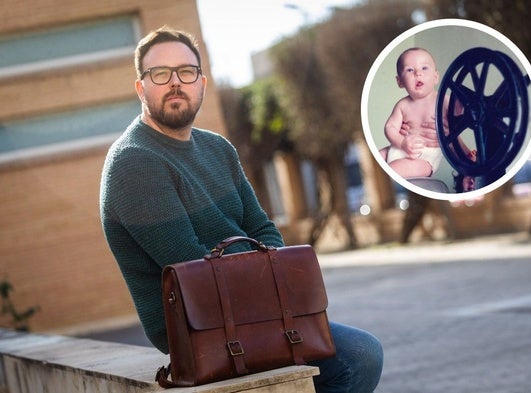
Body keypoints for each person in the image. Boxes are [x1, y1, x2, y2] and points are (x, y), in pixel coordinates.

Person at [100, 26, 383, 392]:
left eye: (186, 72)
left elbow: (265, 232)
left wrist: (255, 266)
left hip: (256, 314)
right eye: (160, 74)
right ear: (141, 87)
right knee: (358, 355)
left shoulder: (218, 149)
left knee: (363, 351)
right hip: (198, 332)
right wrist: (262, 270)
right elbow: (192, 270)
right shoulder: (134, 162)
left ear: (201, 83)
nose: (175, 83)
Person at [379, 47, 443, 179]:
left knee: (393, 170)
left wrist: (466, 154)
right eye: (410, 70)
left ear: (436, 77)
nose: (418, 73)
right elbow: (390, 128)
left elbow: (454, 133)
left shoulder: (444, 102)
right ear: (400, 81)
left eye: (424, 68)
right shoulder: (402, 105)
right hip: (398, 148)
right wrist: (401, 142)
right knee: (376, 159)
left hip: (425, 158)